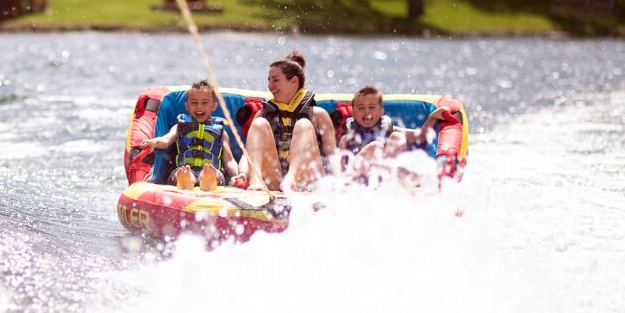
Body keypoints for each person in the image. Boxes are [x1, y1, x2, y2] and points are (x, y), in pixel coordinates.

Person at [239, 51, 338, 191]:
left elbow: (333, 157)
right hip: (275, 179)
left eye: (275, 80)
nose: (270, 86)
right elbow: (247, 154)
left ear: (294, 81)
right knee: (258, 123)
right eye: (269, 81)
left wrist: (338, 182)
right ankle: (256, 179)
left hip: (308, 180)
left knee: (303, 124)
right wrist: (243, 174)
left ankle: (291, 179)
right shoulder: (263, 114)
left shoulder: (318, 115)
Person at [139, 80, 242, 191]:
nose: (199, 107)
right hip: (186, 168)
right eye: (194, 102)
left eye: (204, 103)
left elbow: (229, 160)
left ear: (214, 106)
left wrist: (236, 176)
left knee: (213, 173)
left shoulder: (221, 132)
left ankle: (208, 181)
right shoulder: (179, 126)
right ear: (187, 106)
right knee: (180, 173)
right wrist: (154, 142)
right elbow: (165, 141)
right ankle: (185, 181)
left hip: (211, 169)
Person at [338, 86, 449, 178]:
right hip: (359, 177)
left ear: (381, 111)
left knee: (397, 137)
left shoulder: (388, 129)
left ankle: (389, 177)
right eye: (361, 108)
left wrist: (432, 117)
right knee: (376, 146)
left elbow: (420, 136)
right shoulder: (347, 138)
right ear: (353, 113)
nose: (367, 111)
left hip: (386, 174)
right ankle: (386, 176)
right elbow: (340, 167)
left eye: (371, 107)